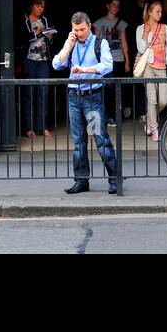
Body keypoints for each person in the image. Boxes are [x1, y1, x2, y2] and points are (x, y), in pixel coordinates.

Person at [53, 12, 119, 195]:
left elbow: (107, 65)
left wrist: (85, 70)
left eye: (82, 29)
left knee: (101, 139)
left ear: (89, 26)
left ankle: (115, 179)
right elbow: (56, 64)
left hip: (92, 97)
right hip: (74, 96)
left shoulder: (100, 43)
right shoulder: (71, 43)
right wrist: (68, 46)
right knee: (78, 143)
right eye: (76, 30)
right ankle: (81, 181)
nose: (80, 33)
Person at [135, 1, 167, 142]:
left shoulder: (165, 28)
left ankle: (149, 117)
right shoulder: (141, 28)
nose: (160, 14)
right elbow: (141, 49)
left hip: (161, 66)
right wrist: (146, 33)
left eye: (161, 11)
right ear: (150, 12)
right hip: (148, 66)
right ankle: (154, 128)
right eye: (157, 11)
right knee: (152, 99)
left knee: (163, 101)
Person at [22, 0, 56, 140]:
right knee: (29, 93)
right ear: (32, 6)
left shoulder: (46, 20)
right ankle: (29, 128)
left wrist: (50, 37)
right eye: (38, 6)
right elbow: (21, 39)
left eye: (42, 6)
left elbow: (52, 41)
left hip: (43, 61)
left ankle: (43, 126)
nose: (40, 9)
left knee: (43, 93)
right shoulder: (25, 20)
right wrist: (35, 32)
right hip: (30, 60)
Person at [93, 0, 130, 123]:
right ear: (108, 6)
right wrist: (95, 61)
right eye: (113, 4)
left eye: (118, 5)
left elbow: (124, 43)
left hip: (119, 58)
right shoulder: (99, 23)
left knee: (116, 88)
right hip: (104, 60)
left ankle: (115, 115)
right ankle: (108, 115)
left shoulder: (121, 23)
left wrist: (127, 62)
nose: (116, 7)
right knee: (107, 88)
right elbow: (94, 43)